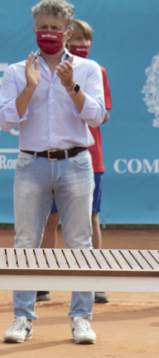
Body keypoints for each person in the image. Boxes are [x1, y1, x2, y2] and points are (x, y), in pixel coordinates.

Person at [0, 0, 105, 345]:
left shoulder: (88, 69)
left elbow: (97, 116)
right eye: (42, 27)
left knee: (79, 242)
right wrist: (29, 87)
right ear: (34, 30)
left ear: (67, 32)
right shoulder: (17, 71)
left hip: (75, 162)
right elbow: (3, 121)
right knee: (26, 241)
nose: (48, 34)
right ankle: (22, 318)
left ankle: (81, 318)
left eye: (55, 29)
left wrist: (72, 86)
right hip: (32, 164)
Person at [38, 19, 113, 305]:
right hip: (51, 158)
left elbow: (103, 115)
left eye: (87, 40)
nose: (82, 45)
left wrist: (76, 92)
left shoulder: (95, 71)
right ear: (66, 40)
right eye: (77, 40)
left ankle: (91, 281)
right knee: (50, 220)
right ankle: (40, 281)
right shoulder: (45, 70)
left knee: (90, 219)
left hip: (88, 160)